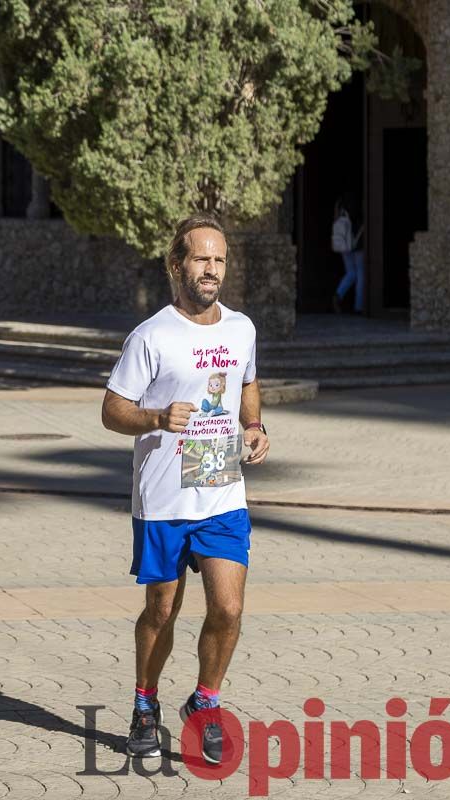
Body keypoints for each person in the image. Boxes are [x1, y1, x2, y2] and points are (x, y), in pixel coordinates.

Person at [101, 214, 270, 765]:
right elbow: (112, 411)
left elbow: (247, 381)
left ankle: (205, 701)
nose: (212, 270)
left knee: (229, 606)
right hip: (164, 498)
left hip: (222, 491)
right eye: (201, 259)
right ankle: (144, 703)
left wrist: (254, 427)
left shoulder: (241, 328)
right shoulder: (151, 335)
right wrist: (154, 417)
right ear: (177, 265)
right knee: (161, 610)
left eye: (219, 260)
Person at [330, 199, 365, 314]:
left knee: (351, 273)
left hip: (344, 245)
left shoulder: (340, 205)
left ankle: (338, 295)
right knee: (360, 274)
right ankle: (359, 307)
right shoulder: (358, 207)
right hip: (357, 244)